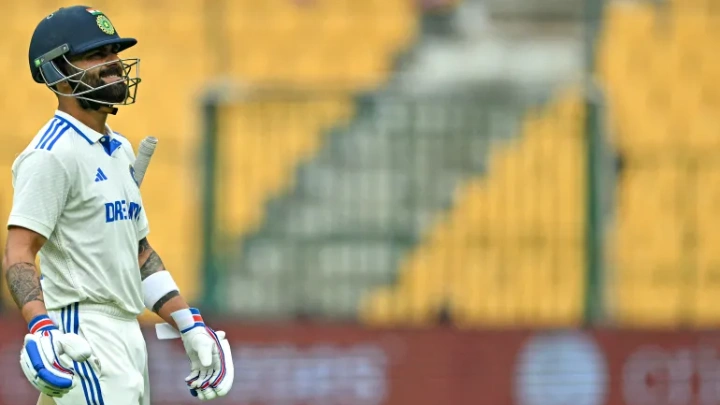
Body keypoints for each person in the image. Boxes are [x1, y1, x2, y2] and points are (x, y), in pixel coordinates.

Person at [2, 5, 234, 404]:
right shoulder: (50, 154)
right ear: (58, 72)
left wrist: (188, 322)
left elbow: (139, 253)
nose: (114, 64)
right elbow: (19, 253)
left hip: (128, 335)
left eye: (114, 53)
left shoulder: (120, 149)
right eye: (96, 55)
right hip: (84, 335)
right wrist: (41, 327)